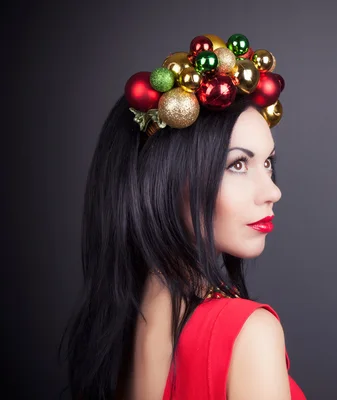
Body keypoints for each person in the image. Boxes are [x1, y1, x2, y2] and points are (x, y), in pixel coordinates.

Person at [60, 33, 305, 399]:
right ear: (168, 182)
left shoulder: (120, 329)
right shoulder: (248, 333)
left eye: (267, 163)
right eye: (238, 164)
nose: (273, 191)